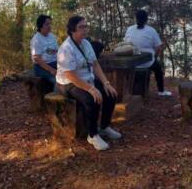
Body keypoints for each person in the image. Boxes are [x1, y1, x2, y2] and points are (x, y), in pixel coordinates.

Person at [57, 16, 121, 151]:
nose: (85, 29)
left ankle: (104, 127)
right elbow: (70, 75)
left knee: (111, 94)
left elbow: (96, 64)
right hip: (68, 82)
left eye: (85, 26)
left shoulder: (86, 43)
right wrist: (91, 89)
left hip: (87, 79)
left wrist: (106, 83)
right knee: (91, 99)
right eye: (81, 27)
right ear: (72, 30)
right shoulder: (66, 48)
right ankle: (92, 134)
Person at [124, 10, 172, 97]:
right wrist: (155, 56)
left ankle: (128, 90)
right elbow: (159, 47)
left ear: (136, 19)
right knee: (158, 71)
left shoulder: (129, 29)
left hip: (132, 63)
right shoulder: (151, 30)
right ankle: (161, 91)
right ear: (146, 20)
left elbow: (126, 44)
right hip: (147, 63)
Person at [30, 14, 59, 85]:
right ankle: (53, 96)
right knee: (57, 80)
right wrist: (52, 70)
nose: (49, 26)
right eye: (47, 24)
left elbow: (57, 51)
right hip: (41, 67)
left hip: (55, 63)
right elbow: (37, 59)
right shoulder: (36, 39)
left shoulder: (52, 36)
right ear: (40, 25)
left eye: (50, 24)